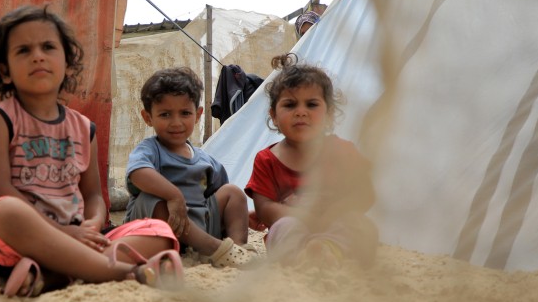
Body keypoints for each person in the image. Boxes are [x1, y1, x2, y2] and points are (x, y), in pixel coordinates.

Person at [0, 5, 183, 297]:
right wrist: (64, 233)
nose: (38, 55)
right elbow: (0, 191)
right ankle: (125, 273)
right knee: (7, 211)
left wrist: (93, 225)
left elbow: (93, 195)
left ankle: (49, 276)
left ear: (68, 65)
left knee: (159, 232)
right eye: (23, 50)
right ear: (5, 72)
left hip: (79, 236)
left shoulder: (84, 129)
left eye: (48, 46)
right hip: (15, 241)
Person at [246, 53, 378, 265]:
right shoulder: (267, 160)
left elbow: (365, 195)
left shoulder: (343, 152)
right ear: (273, 115)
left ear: (329, 114)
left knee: (361, 225)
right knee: (282, 227)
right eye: (290, 105)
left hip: (336, 223)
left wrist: (331, 215)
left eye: (311, 104)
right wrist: (304, 218)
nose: (301, 112)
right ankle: (302, 258)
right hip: (294, 226)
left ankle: (329, 251)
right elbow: (265, 208)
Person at [124, 67, 259, 268]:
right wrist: (173, 196)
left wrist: (239, 218)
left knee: (233, 192)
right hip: (159, 231)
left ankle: (236, 249)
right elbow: (137, 174)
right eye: (165, 114)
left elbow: (220, 197)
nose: (176, 122)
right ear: (148, 117)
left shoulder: (205, 160)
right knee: (152, 198)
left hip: (201, 225)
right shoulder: (151, 150)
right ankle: (215, 248)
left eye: (185, 113)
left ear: (197, 115)